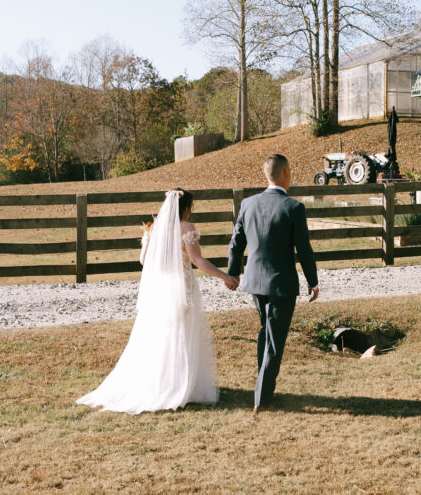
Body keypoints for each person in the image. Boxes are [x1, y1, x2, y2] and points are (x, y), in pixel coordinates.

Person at [77, 189, 239, 413]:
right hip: (182, 286)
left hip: (161, 289)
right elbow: (196, 259)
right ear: (186, 207)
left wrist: (146, 239)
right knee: (182, 332)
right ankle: (179, 384)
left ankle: (161, 381)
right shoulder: (187, 228)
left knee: (161, 334)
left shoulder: (154, 231)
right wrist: (224, 276)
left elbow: (143, 260)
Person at [228, 154, 319, 414]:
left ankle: (263, 387)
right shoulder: (293, 207)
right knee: (274, 340)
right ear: (286, 173)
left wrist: (234, 274)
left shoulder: (248, 204)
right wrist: (313, 281)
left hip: (255, 282)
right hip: (282, 284)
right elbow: (304, 249)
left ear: (266, 174)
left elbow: (236, 243)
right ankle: (262, 398)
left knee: (266, 334)